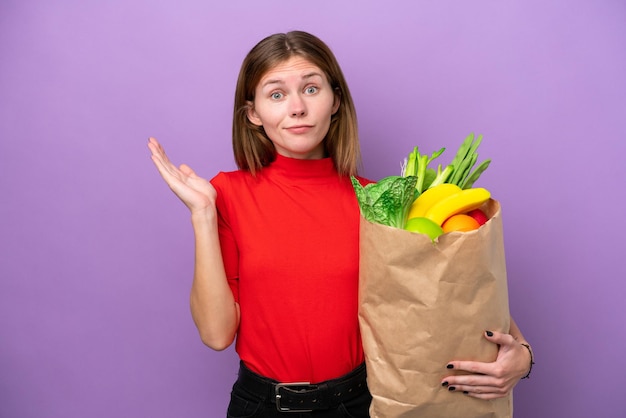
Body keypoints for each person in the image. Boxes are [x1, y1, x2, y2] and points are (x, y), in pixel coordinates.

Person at [148, 30, 533, 417]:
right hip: (262, 406)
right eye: (276, 94)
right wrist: (202, 214)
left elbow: (453, 295)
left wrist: (523, 355)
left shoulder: (380, 202)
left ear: (335, 101)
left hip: (360, 402)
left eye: (311, 89)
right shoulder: (226, 195)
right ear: (253, 113)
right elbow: (216, 335)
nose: (297, 108)